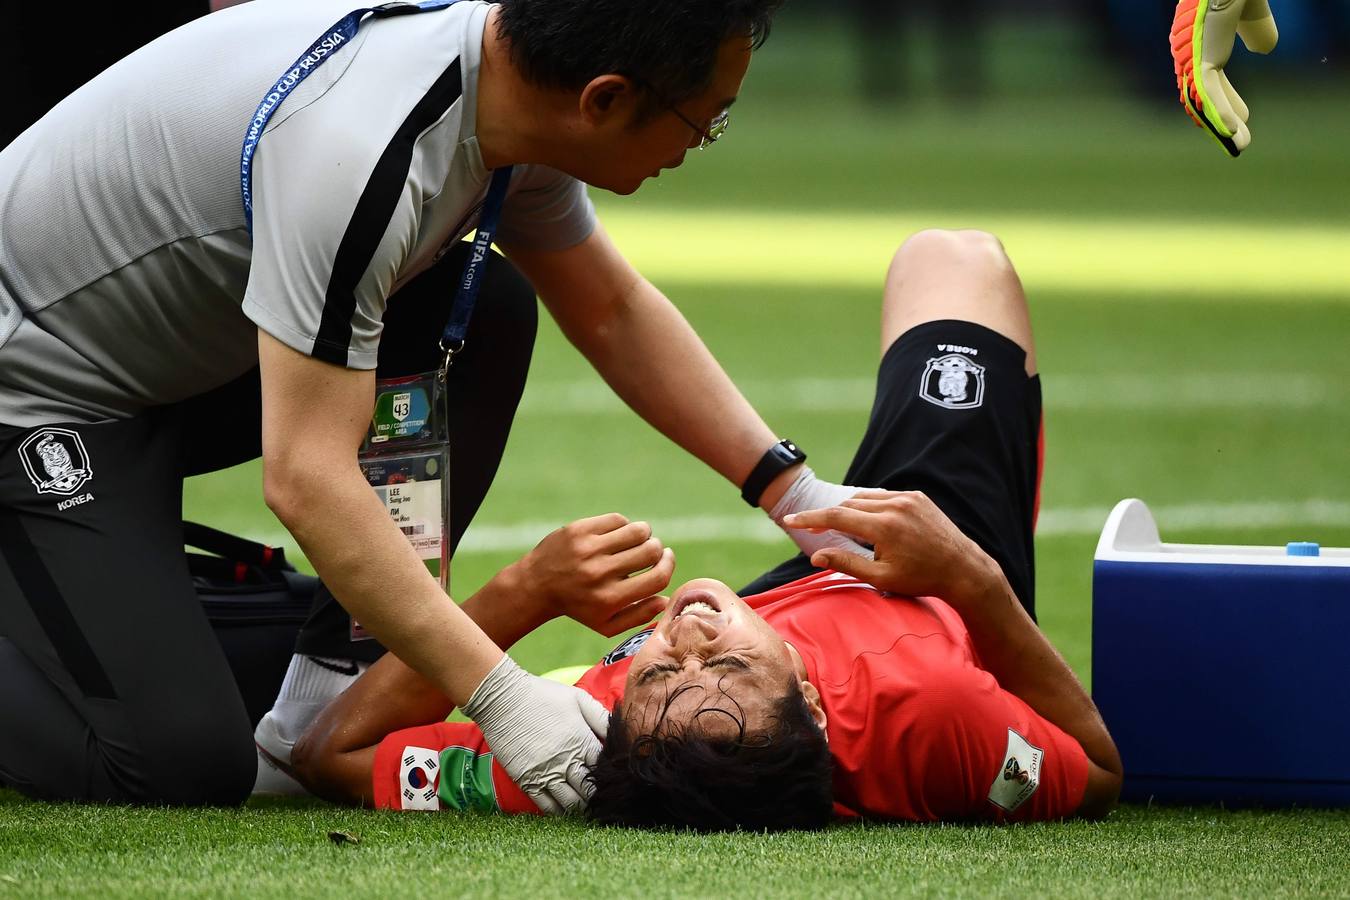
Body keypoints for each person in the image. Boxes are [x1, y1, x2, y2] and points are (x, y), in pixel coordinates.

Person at [0, 0, 876, 811]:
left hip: (158, 361)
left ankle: (323, 686)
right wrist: (504, 698)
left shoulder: (502, 91)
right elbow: (305, 477)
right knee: (182, 762)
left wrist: (797, 496)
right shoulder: (361, 154)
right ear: (604, 99)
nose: (700, 141)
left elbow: (609, 309)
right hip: (36, 394)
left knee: (481, 304)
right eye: (704, 118)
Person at [287, 229, 1124, 828]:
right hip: (938, 579)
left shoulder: (599, 753)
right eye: (726, 661)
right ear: (813, 704)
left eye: (657, 674)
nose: (686, 631)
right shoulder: (936, 721)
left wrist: (524, 592)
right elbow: (1097, 771)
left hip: (799, 589)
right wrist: (971, 577)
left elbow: (330, 755)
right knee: (952, 258)